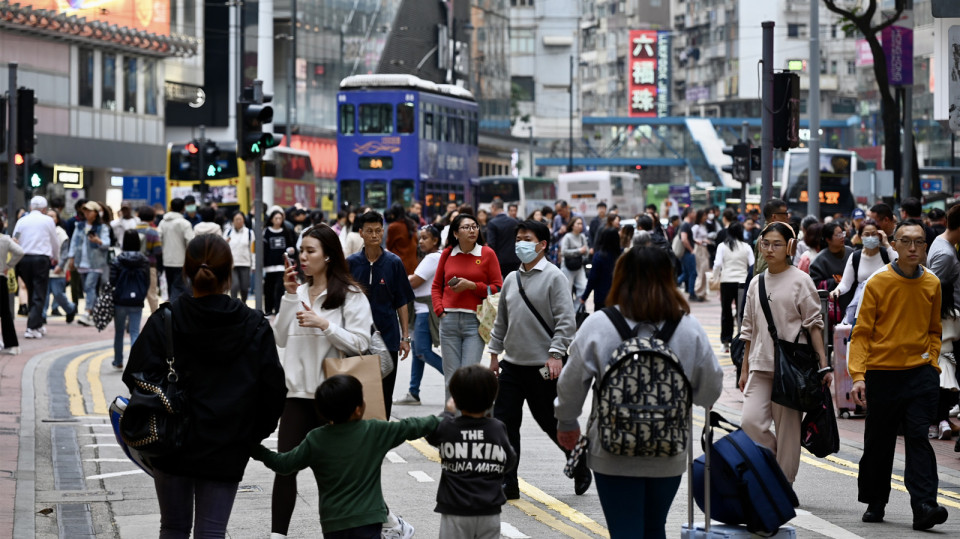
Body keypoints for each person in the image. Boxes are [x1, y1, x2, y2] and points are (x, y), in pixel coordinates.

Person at [122, 234, 287, 538]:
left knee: (172, 527)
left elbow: (135, 376)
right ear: (229, 275)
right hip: (227, 446)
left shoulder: (165, 320)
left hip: (172, 443)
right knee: (212, 531)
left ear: (186, 271)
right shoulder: (255, 325)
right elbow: (274, 392)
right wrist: (249, 436)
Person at [555, 246, 724, 538]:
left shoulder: (599, 324)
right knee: (654, 527)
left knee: (624, 530)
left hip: (611, 449)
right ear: (669, 279)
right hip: (668, 449)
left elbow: (571, 384)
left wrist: (567, 421)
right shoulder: (688, 327)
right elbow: (709, 391)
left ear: (621, 278)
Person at [271, 223, 374, 537]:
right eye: (301, 250)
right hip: (295, 395)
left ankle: (385, 522)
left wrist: (324, 325)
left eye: (310, 251)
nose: (302, 257)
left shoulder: (351, 295)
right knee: (285, 467)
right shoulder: (297, 292)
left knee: (337, 474)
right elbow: (279, 338)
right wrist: (289, 298)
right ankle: (277, 535)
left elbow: (361, 344)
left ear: (328, 256)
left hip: (332, 399)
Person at [849, 220, 949, 530]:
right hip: (882, 374)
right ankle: (875, 501)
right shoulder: (877, 283)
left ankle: (924, 506)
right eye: (905, 241)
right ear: (893, 244)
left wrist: (931, 361)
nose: (912, 248)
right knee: (879, 441)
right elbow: (862, 333)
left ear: (925, 246)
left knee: (919, 437)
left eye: (919, 242)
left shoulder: (932, 283)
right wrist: (858, 375)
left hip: (920, 374)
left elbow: (934, 329)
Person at [253, 375, 436, 539]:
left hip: (333, 523)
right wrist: (447, 422)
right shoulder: (373, 430)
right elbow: (412, 426)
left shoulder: (316, 439)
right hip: (368, 519)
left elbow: (284, 464)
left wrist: (256, 450)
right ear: (358, 410)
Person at [488, 219, 584, 499]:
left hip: (544, 367)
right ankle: (509, 481)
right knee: (504, 423)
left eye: (526, 239)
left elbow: (566, 322)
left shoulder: (555, 277)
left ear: (542, 245)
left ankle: (579, 463)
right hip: (512, 367)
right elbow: (501, 322)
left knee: (550, 422)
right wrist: (494, 355)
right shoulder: (511, 279)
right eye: (518, 238)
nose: (520, 243)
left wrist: (556, 355)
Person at [738, 222, 832, 485]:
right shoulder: (756, 282)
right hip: (761, 364)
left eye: (776, 244)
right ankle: (777, 463)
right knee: (750, 423)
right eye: (765, 243)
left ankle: (782, 486)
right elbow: (748, 329)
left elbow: (815, 326)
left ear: (790, 247)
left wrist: (823, 365)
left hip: (792, 368)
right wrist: (744, 368)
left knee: (789, 432)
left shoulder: (801, 281)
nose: (769, 249)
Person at [425, 366, 517, 538]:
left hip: (455, 508)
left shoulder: (448, 427)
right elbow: (510, 460)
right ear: (492, 398)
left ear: (456, 399)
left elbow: (430, 434)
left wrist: (448, 412)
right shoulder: (496, 428)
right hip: (489, 509)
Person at [348, 211, 416, 419]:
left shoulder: (394, 263)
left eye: (378, 230)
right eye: (369, 231)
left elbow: (401, 302)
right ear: (361, 233)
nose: (374, 235)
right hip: (357, 338)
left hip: (388, 337)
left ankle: (380, 441)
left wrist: (405, 337)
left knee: (385, 395)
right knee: (357, 394)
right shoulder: (350, 263)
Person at [431, 213, 502, 395]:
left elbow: (497, 288)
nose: (472, 230)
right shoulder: (447, 254)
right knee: (451, 379)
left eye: (474, 226)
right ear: (455, 233)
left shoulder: (487, 253)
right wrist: (440, 310)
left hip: (475, 322)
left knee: (468, 378)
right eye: (466, 227)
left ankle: (466, 420)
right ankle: (451, 420)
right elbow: (436, 286)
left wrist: (472, 286)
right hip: (448, 322)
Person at [395, 225, 444, 406]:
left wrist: (399, 279)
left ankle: (457, 381)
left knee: (422, 352)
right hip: (418, 311)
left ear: (435, 240)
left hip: (424, 313)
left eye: (425, 238)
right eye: (420, 238)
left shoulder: (432, 258)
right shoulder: (433, 257)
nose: (421, 241)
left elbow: (414, 282)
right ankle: (413, 392)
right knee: (417, 353)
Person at [926, 206, 960, 442]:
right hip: (946, 322)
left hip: (947, 321)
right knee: (946, 377)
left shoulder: (940, 244)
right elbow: (930, 292)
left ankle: (942, 419)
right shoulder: (946, 254)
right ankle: (940, 420)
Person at [13, 196, 60, 339]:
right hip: (41, 259)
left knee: (32, 290)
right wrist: (56, 257)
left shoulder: (22, 220)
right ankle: (32, 327)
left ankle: (38, 324)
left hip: (23, 259)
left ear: (30, 207)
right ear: (44, 209)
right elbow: (54, 240)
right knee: (39, 293)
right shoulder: (48, 221)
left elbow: (15, 238)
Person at [829, 219, 895, 320]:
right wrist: (837, 290)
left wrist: (886, 244)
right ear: (860, 237)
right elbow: (846, 283)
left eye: (874, 234)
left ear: (880, 235)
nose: (871, 237)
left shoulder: (886, 254)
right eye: (867, 234)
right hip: (862, 308)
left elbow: (900, 264)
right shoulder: (855, 257)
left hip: (886, 306)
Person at [67, 201, 112, 327]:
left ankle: (87, 313)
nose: (87, 213)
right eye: (85, 211)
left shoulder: (102, 228)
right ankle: (97, 314)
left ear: (96, 213)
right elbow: (74, 243)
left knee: (89, 286)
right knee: (88, 288)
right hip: (82, 261)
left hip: (96, 262)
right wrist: (71, 258)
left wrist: (99, 241)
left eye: (89, 211)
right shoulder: (79, 226)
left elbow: (107, 243)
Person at [109, 230, 149, 369]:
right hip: (137, 300)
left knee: (119, 332)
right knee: (134, 332)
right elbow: (147, 281)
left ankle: (118, 361)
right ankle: (134, 364)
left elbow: (112, 280)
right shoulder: (144, 260)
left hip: (120, 300)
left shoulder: (118, 259)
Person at [713, 222, 754, 353]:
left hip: (726, 281)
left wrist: (715, 277)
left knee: (726, 312)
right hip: (742, 282)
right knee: (742, 312)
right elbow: (752, 264)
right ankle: (741, 341)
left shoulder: (722, 246)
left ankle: (726, 342)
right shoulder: (746, 247)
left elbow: (718, 264)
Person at [157, 198, 196, 303]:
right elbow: (191, 242)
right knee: (180, 287)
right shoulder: (185, 224)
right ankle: (178, 309)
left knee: (171, 286)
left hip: (167, 260)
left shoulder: (162, 223)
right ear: (183, 208)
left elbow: (158, 240)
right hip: (182, 261)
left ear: (170, 207)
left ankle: (172, 309)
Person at [810, 221, 855, 311]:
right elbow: (813, 285)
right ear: (828, 239)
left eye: (843, 233)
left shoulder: (851, 252)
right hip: (832, 306)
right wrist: (834, 281)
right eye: (838, 235)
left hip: (852, 299)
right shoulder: (820, 260)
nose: (842, 237)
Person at [45, 210, 77, 324]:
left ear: (57, 219)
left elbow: (65, 252)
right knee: (44, 294)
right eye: (48, 216)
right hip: (44, 268)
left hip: (58, 269)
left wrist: (61, 265)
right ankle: (42, 316)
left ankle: (70, 308)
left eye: (52, 216)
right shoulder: (42, 231)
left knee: (58, 293)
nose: (50, 219)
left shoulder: (61, 233)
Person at [263, 209, 296, 315]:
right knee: (269, 289)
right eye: (276, 218)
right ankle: (268, 310)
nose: (278, 220)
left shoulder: (286, 231)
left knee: (279, 289)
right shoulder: (266, 231)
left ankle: (278, 310)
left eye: (280, 218)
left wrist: (290, 250)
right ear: (271, 219)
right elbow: (264, 249)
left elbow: (291, 245)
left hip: (282, 265)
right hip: (269, 266)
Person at [580, 228, 620, 310]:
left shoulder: (599, 256)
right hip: (617, 295)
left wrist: (584, 296)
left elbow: (592, 278)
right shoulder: (621, 256)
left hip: (601, 296)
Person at [135, 206, 163, 313]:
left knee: (136, 292)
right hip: (150, 266)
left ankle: (131, 320)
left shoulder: (132, 230)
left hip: (134, 266)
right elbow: (158, 250)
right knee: (152, 294)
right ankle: (155, 319)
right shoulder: (152, 232)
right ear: (153, 218)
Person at [0, 232, 24, 354]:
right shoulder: (5, 239)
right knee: (5, 313)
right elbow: (20, 252)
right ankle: (12, 345)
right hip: (1, 278)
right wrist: (9, 265)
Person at [752, 199, 790, 275]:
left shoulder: (772, 233)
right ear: (774, 217)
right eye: (785, 213)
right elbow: (762, 268)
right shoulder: (768, 236)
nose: (787, 217)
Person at [484, 200, 521, 278]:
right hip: (515, 258)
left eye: (491, 208)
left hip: (500, 260)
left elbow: (491, 244)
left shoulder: (492, 223)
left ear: (494, 208)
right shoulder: (514, 221)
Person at [225, 211, 253, 303]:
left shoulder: (249, 233)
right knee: (234, 286)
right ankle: (234, 305)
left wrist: (254, 265)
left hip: (245, 263)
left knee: (244, 287)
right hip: (232, 264)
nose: (238, 221)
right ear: (232, 221)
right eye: (236, 219)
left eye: (240, 219)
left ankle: (243, 304)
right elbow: (223, 247)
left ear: (244, 220)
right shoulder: (228, 232)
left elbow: (253, 250)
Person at [560, 215, 589, 304]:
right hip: (567, 267)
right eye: (578, 223)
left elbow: (586, 251)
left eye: (581, 224)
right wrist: (579, 251)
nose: (580, 225)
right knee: (567, 291)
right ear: (572, 225)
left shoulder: (582, 237)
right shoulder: (567, 237)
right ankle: (568, 312)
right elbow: (563, 252)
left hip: (579, 266)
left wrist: (584, 253)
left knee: (583, 288)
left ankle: (576, 310)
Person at [386, 203, 418, 276]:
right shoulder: (411, 223)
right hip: (413, 264)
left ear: (393, 214)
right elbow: (416, 241)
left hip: (400, 264)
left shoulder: (393, 226)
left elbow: (389, 246)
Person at [677, 208, 699, 301]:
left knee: (686, 273)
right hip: (687, 253)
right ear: (689, 213)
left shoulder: (685, 224)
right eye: (694, 212)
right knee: (693, 273)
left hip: (686, 254)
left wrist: (695, 241)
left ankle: (672, 286)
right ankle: (692, 294)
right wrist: (691, 250)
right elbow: (684, 239)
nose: (695, 214)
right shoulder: (685, 225)